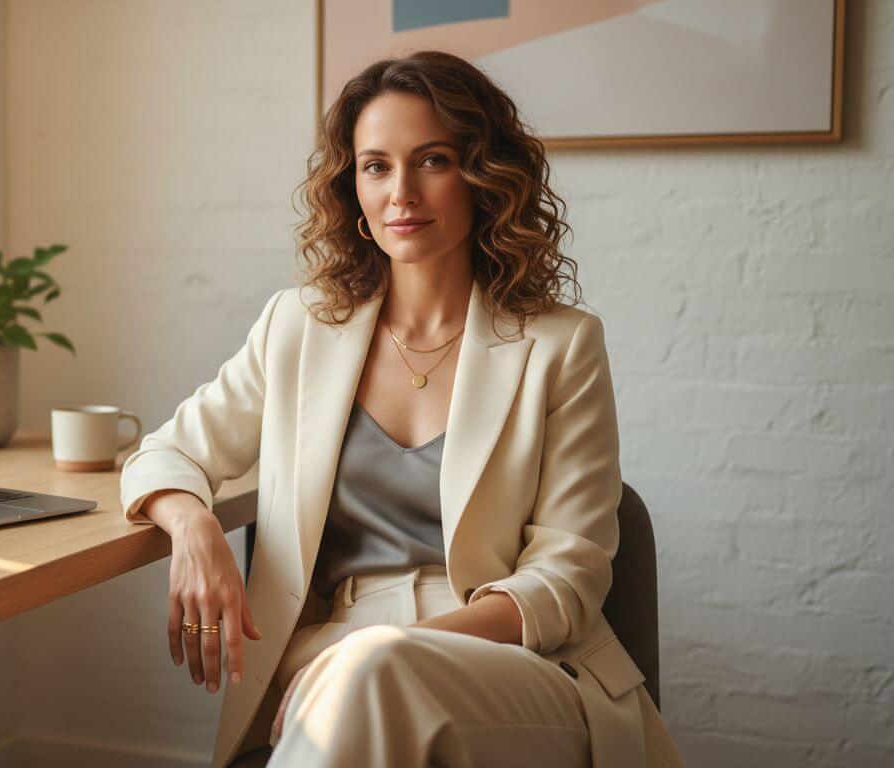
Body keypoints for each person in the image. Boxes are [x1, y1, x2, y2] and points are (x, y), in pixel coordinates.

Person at [119, 51, 685, 768]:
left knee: (376, 669)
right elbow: (165, 455)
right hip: (338, 654)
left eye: (434, 160)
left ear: (483, 175)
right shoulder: (297, 327)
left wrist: (392, 646)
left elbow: (566, 582)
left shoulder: (562, 346)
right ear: (350, 184)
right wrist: (194, 526)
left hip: (525, 667)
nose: (401, 193)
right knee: (367, 674)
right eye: (376, 166)